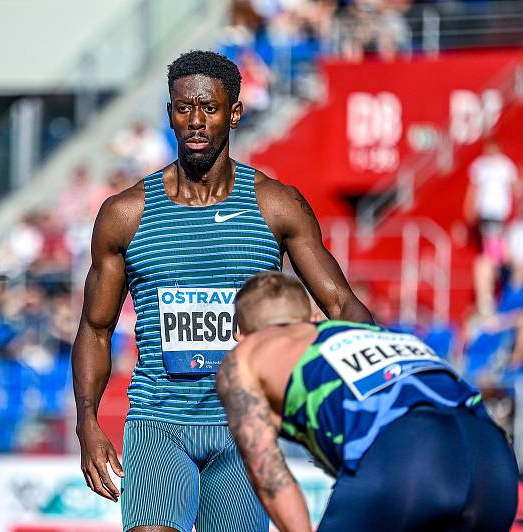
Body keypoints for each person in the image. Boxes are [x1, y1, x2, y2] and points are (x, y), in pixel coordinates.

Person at [72, 50, 371, 532]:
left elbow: (341, 305)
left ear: (233, 113)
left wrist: (375, 393)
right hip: (157, 424)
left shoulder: (276, 205)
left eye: (208, 109)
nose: (194, 121)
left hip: (244, 424)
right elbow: (95, 326)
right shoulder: (125, 214)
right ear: (169, 112)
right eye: (181, 108)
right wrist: (87, 420)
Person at [217, 271, 518, 531]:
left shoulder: (245, 355)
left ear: (240, 334)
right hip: (494, 462)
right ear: (313, 319)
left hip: (409, 456)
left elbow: (267, 469)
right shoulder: (368, 332)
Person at [464, 140, 522, 314]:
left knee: (496, 248)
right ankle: (495, 265)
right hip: (488, 212)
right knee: (491, 248)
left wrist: (515, 205)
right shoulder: (481, 166)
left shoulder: (505, 165)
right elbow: (473, 189)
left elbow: (515, 185)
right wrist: (470, 208)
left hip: (500, 212)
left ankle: (496, 266)